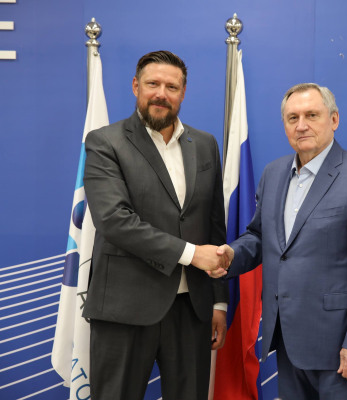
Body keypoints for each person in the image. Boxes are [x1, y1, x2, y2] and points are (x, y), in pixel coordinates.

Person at [212, 83, 347, 399]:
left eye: (312, 115)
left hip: (343, 347)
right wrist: (231, 254)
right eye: (292, 118)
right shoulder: (273, 173)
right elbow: (261, 237)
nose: (301, 125)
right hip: (288, 340)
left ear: (334, 120)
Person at [82, 50, 228, 400]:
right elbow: (114, 220)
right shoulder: (105, 142)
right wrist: (192, 254)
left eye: (171, 87)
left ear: (183, 92)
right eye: (153, 84)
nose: (161, 93)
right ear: (136, 86)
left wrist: (218, 303)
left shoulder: (205, 144)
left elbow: (214, 225)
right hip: (124, 308)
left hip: (192, 309)